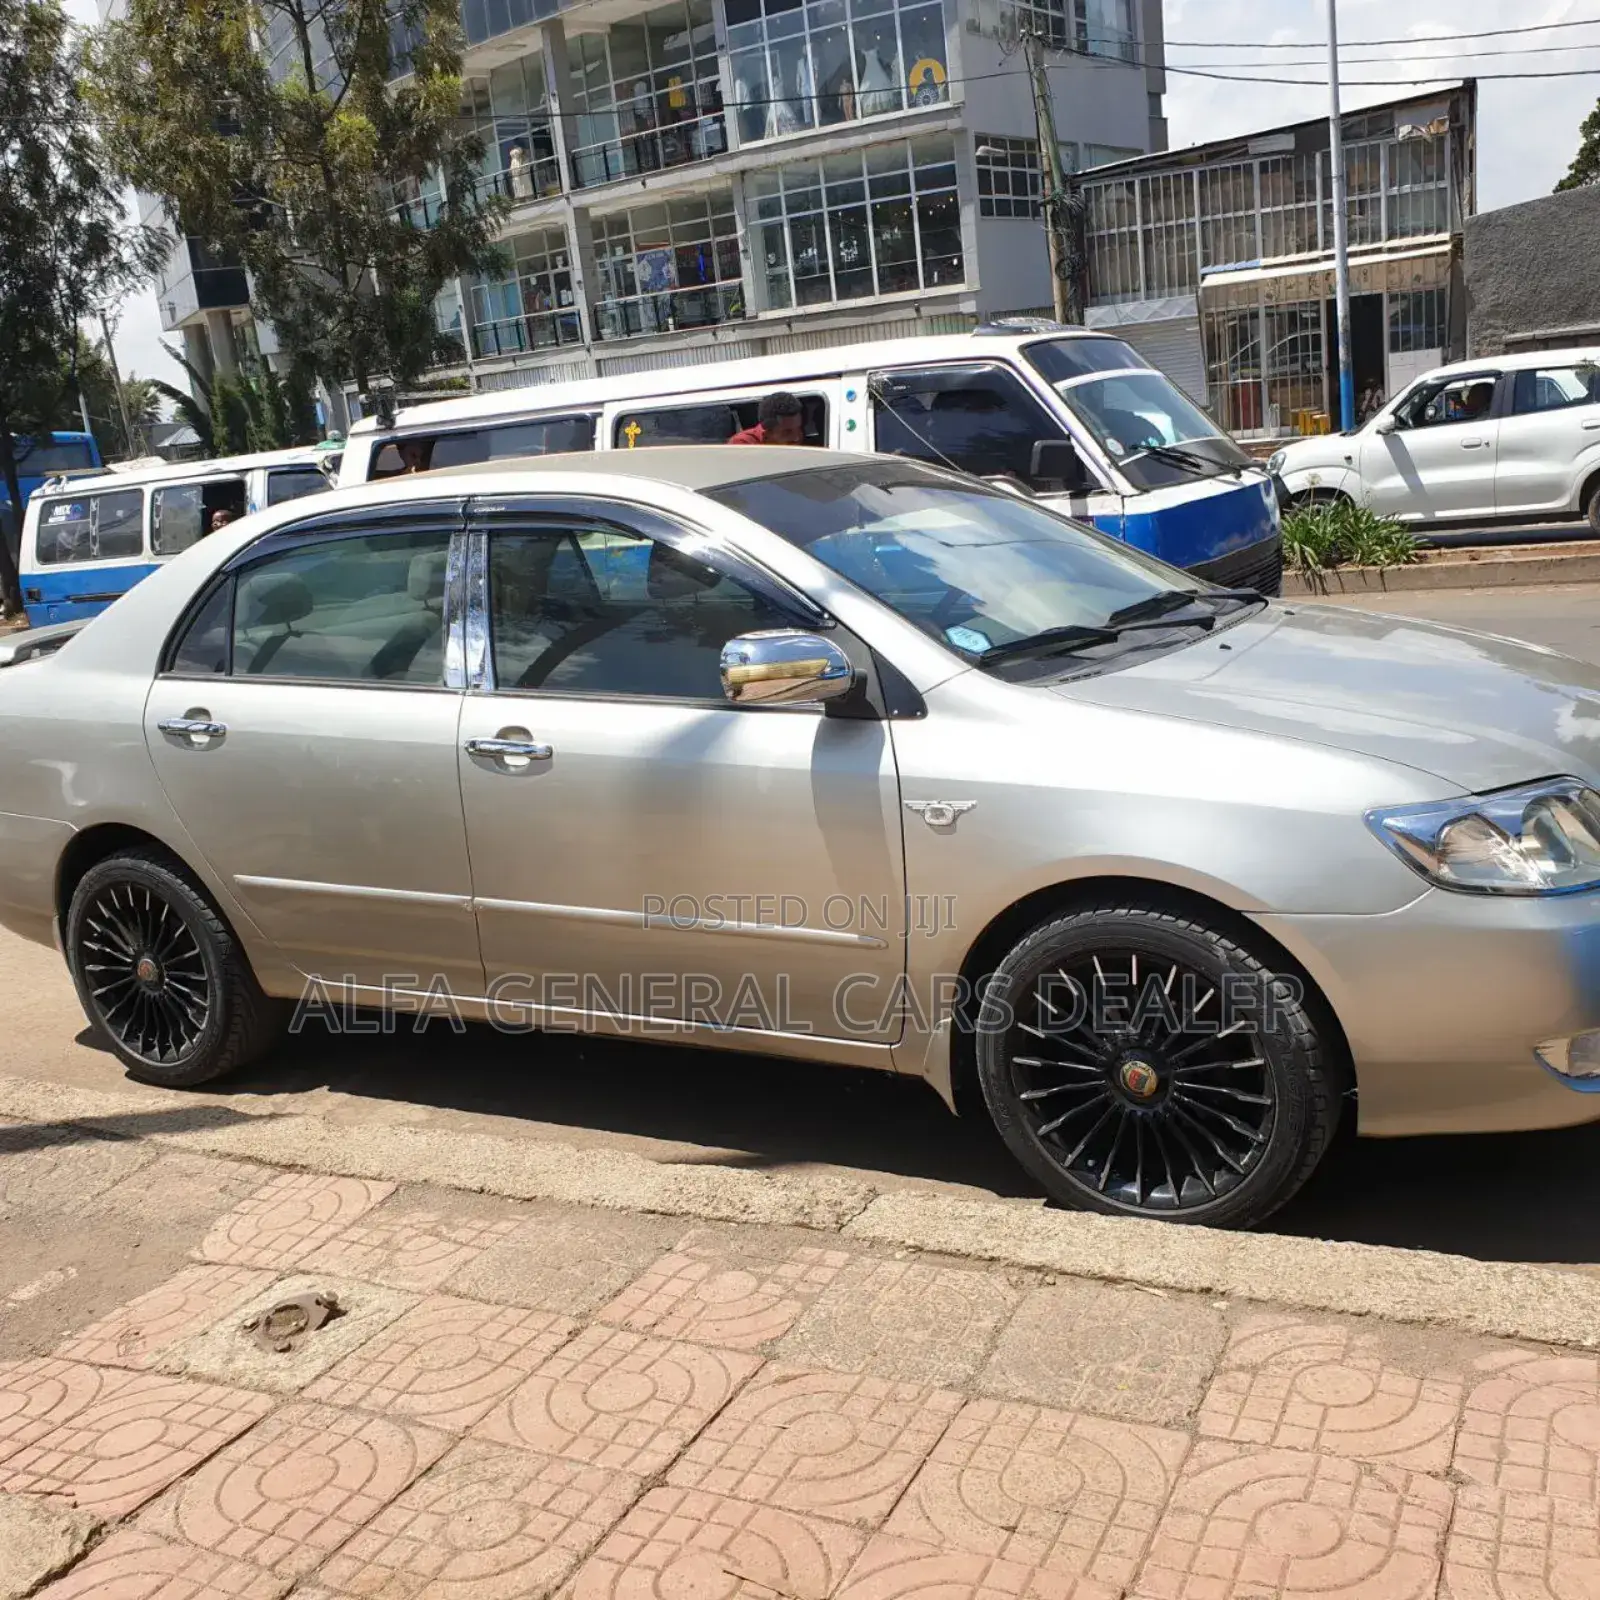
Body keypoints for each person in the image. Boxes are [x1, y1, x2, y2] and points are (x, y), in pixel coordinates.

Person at [729, 392, 805, 445]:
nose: (796, 437)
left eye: (799, 428)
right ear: (767, 433)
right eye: (787, 432)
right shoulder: (744, 444)